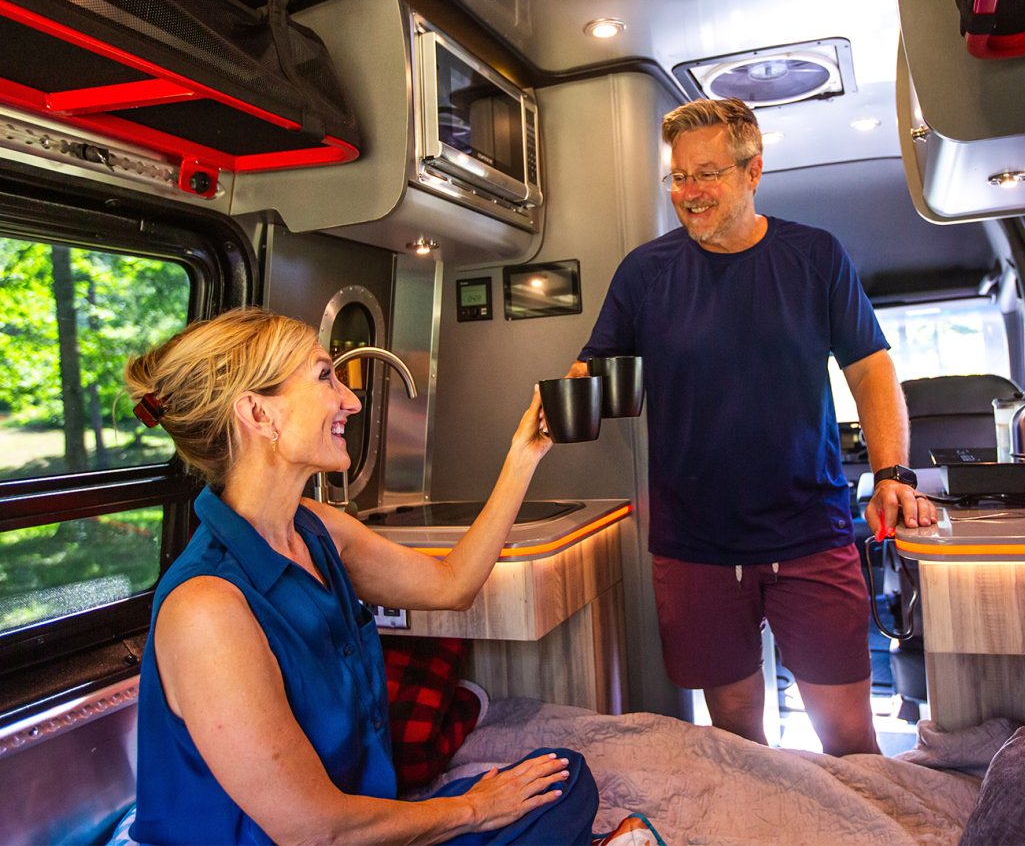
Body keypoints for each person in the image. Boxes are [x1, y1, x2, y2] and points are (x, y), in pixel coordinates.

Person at [123, 308, 628, 845]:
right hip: (318, 838)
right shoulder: (206, 608)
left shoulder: (316, 529)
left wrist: (522, 456)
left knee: (562, 780)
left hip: (359, 825)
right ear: (258, 413)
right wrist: (474, 809)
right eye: (325, 376)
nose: (352, 400)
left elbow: (453, 585)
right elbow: (315, 832)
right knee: (535, 805)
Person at [570, 98, 937, 757]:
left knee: (849, 736)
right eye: (679, 177)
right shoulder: (645, 273)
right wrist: (565, 396)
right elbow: (592, 369)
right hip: (695, 544)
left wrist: (891, 474)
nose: (689, 192)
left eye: (707, 174)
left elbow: (870, 369)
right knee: (737, 737)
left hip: (809, 531)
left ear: (753, 171)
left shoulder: (813, 255)